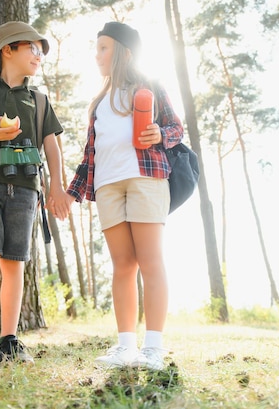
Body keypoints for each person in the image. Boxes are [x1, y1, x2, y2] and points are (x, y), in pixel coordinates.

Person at [53, 21, 184, 370]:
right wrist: (71, 193)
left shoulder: (149, 87)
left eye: (103, 48)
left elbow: (175, 127)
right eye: (96, 49)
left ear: (124, 52)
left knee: (150, 261)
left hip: (145, 179)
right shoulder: (98, 102)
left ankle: (153, 347)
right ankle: (126, 346)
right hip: (108, 187)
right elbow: (90, 155)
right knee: (123, 266)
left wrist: (160, 133)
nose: (97, 55)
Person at [0, 21, 69, 369]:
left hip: (25, 189)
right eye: (33, 48)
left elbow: (52, 146)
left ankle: (9, 340)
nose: (39, 55)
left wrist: (57, 187)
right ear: (8, 50)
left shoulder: (39, 100)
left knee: (14, 263)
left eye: (42, 51)